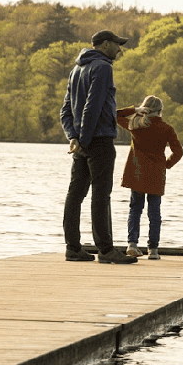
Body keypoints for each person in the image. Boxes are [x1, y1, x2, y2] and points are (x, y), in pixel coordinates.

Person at [60, 30, 137, 264]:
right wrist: (84, 139)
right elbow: (91, 107)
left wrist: (74, 138)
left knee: (75, 195)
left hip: (81, 142)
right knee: (101, 196)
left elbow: (65, 111)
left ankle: (73, 248)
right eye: (117, 45)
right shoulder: (103, 68)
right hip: (99, 139)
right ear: (105, 45)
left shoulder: (76, 70)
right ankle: (105, 250)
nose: (120, 49)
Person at [116, 95, 183, 260]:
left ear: (144, 109)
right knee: (154, 213)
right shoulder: (166, 128)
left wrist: (134, 111)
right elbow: (179, 151)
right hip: (156, 174)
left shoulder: (135, 124)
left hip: (137, 173)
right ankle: (153, 250)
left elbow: (115, 115)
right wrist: (166, 165)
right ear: (160, 111)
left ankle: (132, 244)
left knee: (135, 209)